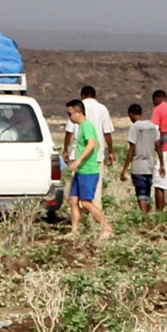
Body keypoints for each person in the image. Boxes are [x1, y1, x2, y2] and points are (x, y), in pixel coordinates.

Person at [64, 99, 112, 239]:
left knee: (86, 202)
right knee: (73, 200)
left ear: (78, 113)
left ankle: (106, 227)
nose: (69, 117)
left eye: (70, 113)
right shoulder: (81, 127)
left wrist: (78, 160)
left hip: (88, 171)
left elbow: (92, 144)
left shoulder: (87, 126)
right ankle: (74, 231)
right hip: (80, 171)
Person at [119, 102, 160, 213]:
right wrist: (162, 163)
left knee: (141, 193)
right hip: (150, 166)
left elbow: (132, 148)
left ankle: (144, 217)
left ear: (131, 114)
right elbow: (158, 145)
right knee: (147, 192)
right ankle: (149, 215)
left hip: (138, 166)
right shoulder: (152, 126)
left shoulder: (135, 127)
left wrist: (125, 169)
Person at [64, 84, 115, 168]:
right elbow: (107, 133)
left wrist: (66, 149)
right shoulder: (103, 109)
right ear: (95, 96)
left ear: (82, 95)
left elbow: (69, 131)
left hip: (78, 155)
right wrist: (110, 151)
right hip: (96, 156)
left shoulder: (76, 108)